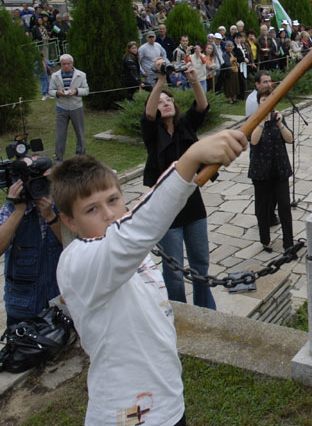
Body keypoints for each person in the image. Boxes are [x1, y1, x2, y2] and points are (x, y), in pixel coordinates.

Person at [52, 130, 246, 426]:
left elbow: (132, 231)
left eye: (113, 200)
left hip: (168, 403)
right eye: (92, 209)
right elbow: (131, 234)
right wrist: (191, 158)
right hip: (125, 415)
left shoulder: (132, 251)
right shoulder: (77, 263)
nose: (109, 214)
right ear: (69, 221)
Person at [141, 59, 216, 309]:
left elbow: (202, 106)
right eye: (161, 101)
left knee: (200, 262)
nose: (166, 103)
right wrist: (160, 80)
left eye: (169, 99)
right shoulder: (152, 134)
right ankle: (179, 315)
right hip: (166, 209)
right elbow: (149, 114)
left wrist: (194, 80)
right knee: (173, 270)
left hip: (193, 204)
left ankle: (206, 311)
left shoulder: (185, 126)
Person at [1, 174, 63, 328]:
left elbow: (73, 245)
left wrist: (50, 216)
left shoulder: (59, 206)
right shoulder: (9, 210)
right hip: (22, 305)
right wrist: (18, 210)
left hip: (58, 299)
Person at [249, 88, 294, 253]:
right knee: (263, 208)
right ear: (259, 103)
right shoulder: (252, 120)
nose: (267, 104)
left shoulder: (279, 118)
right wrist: (262, 121)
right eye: (263, 101)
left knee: (284, 206)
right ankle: (265, 241)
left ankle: (288, 243)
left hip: (279, 169)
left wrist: (280, 123)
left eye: (270, 101)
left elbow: (290, 139)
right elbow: (253, 141)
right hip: (261, 172)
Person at [48, 54, 89, 163]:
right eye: (63, 64)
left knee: (80, 133)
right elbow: (50, 91)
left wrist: (76, 91)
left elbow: (86, 90)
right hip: (61, 108)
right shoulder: (55, 76)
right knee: (60, 135)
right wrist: (57, 92)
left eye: (68, 64)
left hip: (76, 107)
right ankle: (58, 159)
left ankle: (80, 156)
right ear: (60, 64)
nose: (66, 66)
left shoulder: (81, 75)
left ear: (72, 64)